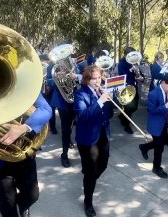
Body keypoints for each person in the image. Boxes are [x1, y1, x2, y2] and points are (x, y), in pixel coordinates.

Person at [0, 94, 52, 217]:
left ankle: (23, 204)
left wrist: (24, 128)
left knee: (32, 195)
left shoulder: (24, 82)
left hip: (24, 153)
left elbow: (46, 109)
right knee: (7, 205)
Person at [74, 65, 113, 217]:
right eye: (94, 79)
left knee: (103, 163)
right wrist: (100, 102)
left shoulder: (100, 91)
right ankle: (88, 201)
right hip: (88, 139)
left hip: (103, 134)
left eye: (99, 78)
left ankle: (89, 179)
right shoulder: (80, 94)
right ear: (87, 79)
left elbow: (108, 115)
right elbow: (83, 117)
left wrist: (109, 100)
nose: (97, 81)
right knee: (90, 173)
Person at [139, 73, 168, 178]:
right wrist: (165, 106)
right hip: (156, 124)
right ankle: (156, 167)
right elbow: (152, 111)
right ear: (163, 82)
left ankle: (144, 147)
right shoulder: (153, 94)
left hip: (165, 122)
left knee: (159, 143)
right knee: (159, 148)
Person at [49, 61, 77, 167]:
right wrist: (55, 78)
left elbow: (80, 79)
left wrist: (75, 76)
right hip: (62, 102)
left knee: (70, 125)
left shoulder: (72, 65)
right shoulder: (52, 68)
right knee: (65, 129)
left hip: (74, 100)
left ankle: (68, 139)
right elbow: (48, 83)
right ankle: (64, 155)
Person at [117, 47, 144, 134]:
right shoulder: (122, 63)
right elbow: (122, 75)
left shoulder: (134, 62)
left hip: (134, 87)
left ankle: (123, 115)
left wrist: (141, 77)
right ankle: (126, 124)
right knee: (129, 107)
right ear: (125, 55)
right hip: (126, 88)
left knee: (134, 107)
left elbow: (140, 73)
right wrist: (131, 69)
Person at [42, 54, 58, 134]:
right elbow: (48, 79)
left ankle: (52, 127)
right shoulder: (49, 66)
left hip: (58, 91)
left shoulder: (59, 65)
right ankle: (52, 127)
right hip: (49, 91)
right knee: (51, 109)